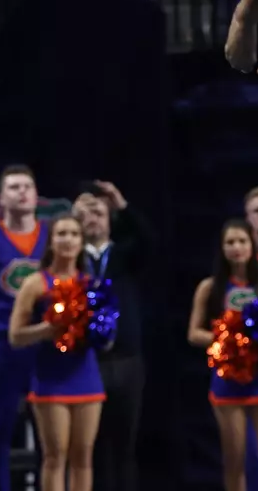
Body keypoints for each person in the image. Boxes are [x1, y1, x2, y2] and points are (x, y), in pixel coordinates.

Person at [188, 219, 258, 491]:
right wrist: (230, 339)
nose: (236, 247)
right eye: (230, 242)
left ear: (252, 245)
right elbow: (193, 333)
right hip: (228, 379)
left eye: (242, 241)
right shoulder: (210, 287)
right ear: (222, 249)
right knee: (235, 459)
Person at [0, 165, 50, 491]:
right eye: (14, 187)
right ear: (1, 198)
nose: (22, 192)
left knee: (52, 432)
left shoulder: (53, 238)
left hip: (47, 343)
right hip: (2, 344)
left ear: (36, 195)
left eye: (27, 186)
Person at [9, 214, 107, 491]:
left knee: (83, 457)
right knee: (55, 457)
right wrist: (47, 329)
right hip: (50, 379)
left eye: (74, 234)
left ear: (81, 242)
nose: (68, 240)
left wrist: (98, 331)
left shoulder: (91, 285)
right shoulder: (35, 283)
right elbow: (15, 336)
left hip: (86, 377)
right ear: (51, 242)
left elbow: (105, 338)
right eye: (61, 234)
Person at [73, 181, 150, 491]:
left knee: (124, 444)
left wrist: (121, 204)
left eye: (99, 214)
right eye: (86, 215)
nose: (92, 219)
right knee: (88, 447)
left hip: (127, 359)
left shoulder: (123, 256)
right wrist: (71, 216)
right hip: (85, 361)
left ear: (110, 221)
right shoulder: (70, 259)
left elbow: (149, 240)